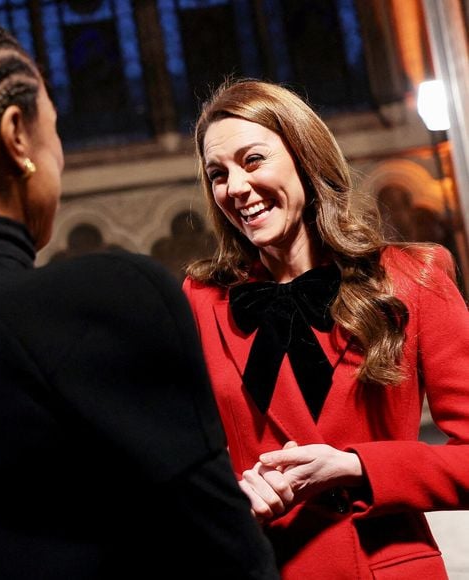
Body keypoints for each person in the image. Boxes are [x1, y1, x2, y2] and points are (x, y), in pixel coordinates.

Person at [0, 13, 279, 579]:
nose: (61, 155)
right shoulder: (105, 303)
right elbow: (227, 560)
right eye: (55, 126)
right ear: (16, 134)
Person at [183, 78, 469, 579]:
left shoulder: (414, 278)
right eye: (217, 174)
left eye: (253, 160)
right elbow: (178, 463)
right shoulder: (201, 302)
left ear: (304, 157)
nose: (235, 188)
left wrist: (358, 467)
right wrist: (232, 497)